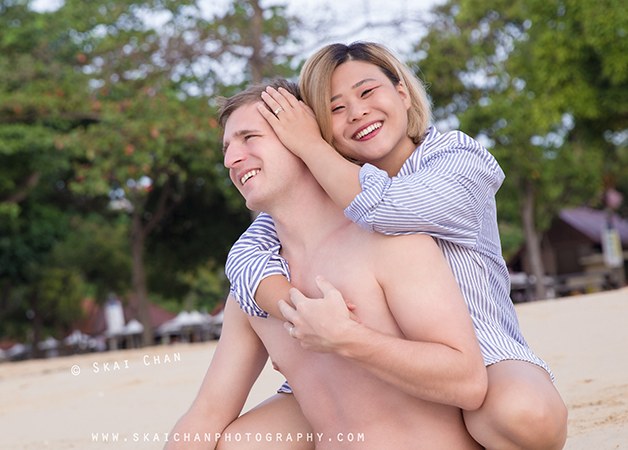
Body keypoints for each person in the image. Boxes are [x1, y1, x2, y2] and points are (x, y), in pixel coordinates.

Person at [225, 42, 567, 449]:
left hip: (477, 352)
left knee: (524, 414)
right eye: (335, 109)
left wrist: (311, 148)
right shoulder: (329, 187)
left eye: (368, 92)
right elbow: (245, 254)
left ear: (402, 93)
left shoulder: (458, 158)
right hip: (356, 364)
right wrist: (303, 311)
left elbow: (387, 208)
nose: (357, 113)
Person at [165, 80, 487, 450]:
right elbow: (207, 413)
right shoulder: (255, 286)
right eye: (227, 148)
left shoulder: (391, 242)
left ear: (302, 136)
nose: (230, 160)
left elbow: (468, 384)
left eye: (250, 138)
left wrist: (350, 339)